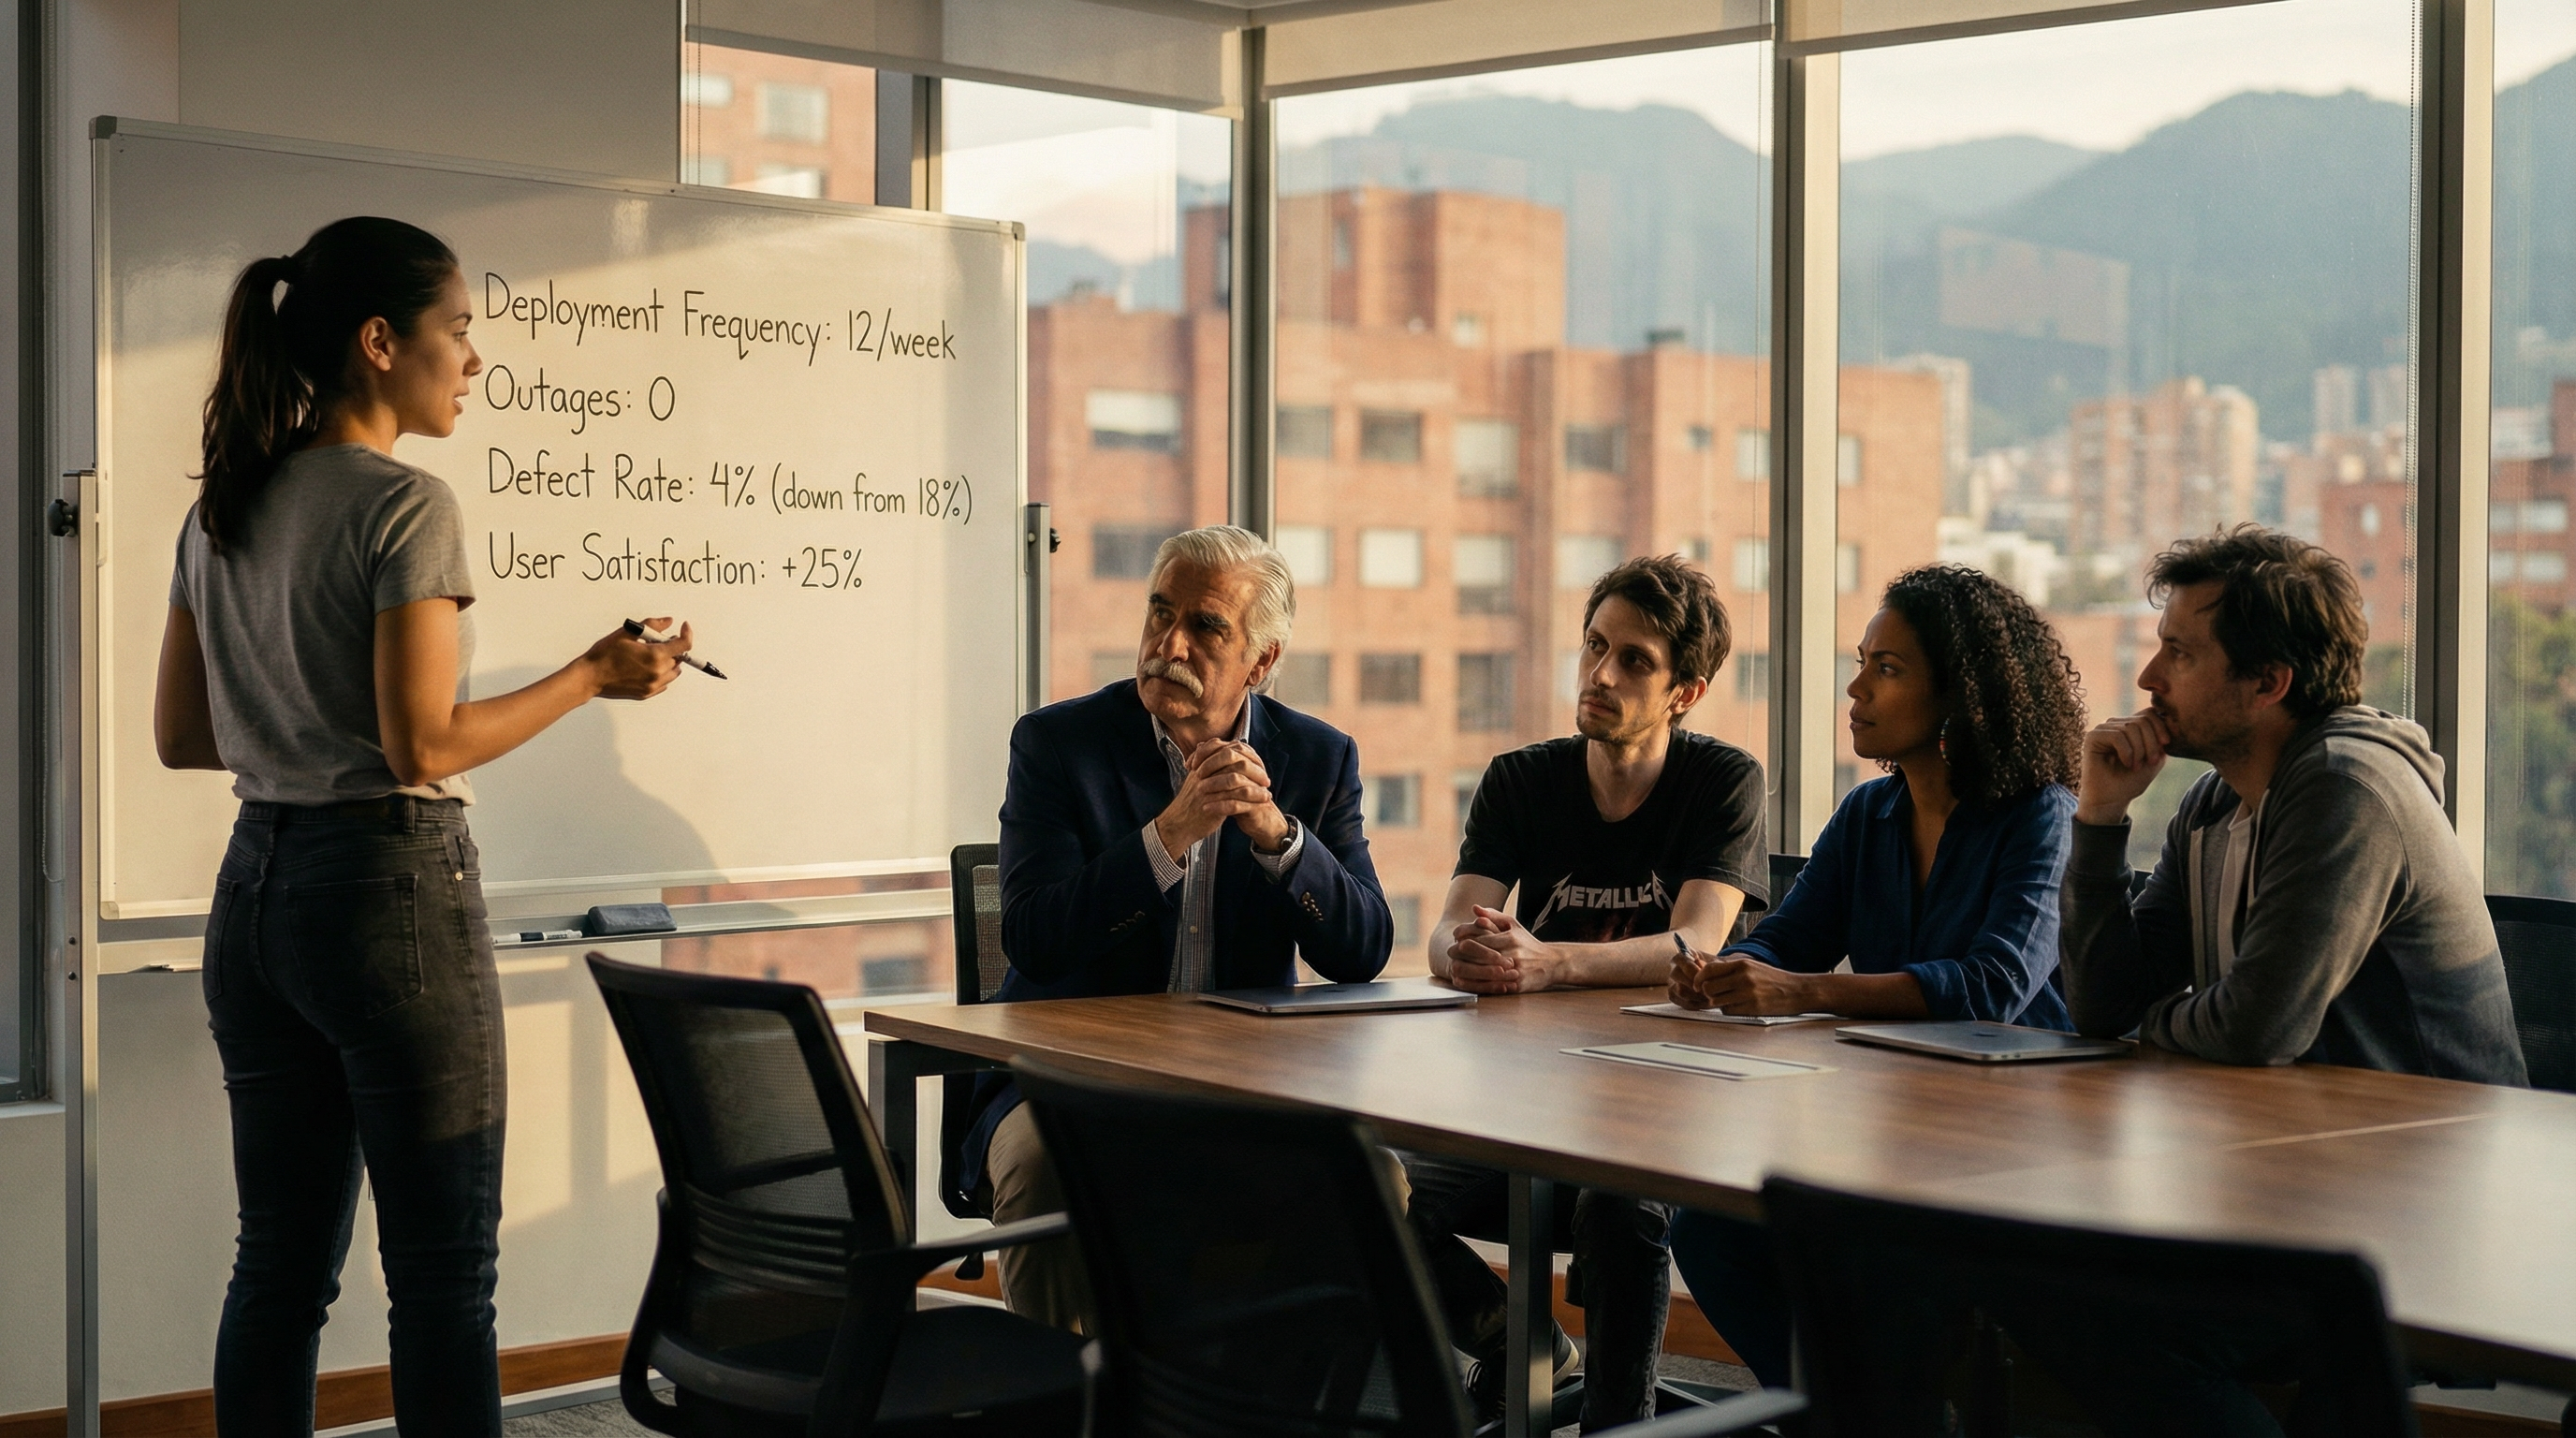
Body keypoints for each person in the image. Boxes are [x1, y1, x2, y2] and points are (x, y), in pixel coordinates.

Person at [153, 217, 688, 1435]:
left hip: (255, 899)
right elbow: (423, 747)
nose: (475, 359)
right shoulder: (406, 506)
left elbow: (185, 737)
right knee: (445, 1282)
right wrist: (594, 674)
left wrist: (290, 710)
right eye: (459, 330)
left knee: (277, 1270)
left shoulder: (222, 509)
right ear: (381, 342)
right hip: (387, 895)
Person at [1663, 563, 2090, 1391]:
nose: (1855, 689)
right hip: (1890, 1121)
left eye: (1886, 670)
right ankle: (1840, 1410)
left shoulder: (2042, 813)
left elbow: (1993, 985)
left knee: (1870, 1261)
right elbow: (1789, 942)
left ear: (1961, 697)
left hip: (2015, 1143)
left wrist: (1805, 991)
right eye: (1861, 662)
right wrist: (1721, 973)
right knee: (1709, 1232)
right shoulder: (1869, 812)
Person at [967, 523, 1394, 1331]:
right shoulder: (1059, 744)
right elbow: (1033, 939)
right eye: (1159, 613)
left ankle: (1268, 1402)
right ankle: (1060, 1405)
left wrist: (1278, 836)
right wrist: (1169, 836)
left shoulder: (1317, 757)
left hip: (1246, 1086)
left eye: (1205, 627)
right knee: (1041, 1166)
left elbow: (1363, 948)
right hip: (1071, 1080)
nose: (1168, 644)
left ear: (1261, 663)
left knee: (1376, 1178)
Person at [1411, 554, 1767, 1431]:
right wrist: (1471, 953)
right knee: (1359, 1179)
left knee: (1619, 1206)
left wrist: (1551, 962)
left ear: (1686, 690)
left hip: (1665, 1112)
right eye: (1594, 647)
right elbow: (1446, 931)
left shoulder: (1724, 780)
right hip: (1526, 1107)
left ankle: (1619, 1420)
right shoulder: (1521, 780)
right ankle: (1512, 1341)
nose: (1600, 675)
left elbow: (1697, 938)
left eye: (1634, 660)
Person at [2060, 525, 2524, 1083]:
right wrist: (2100, 817)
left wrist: (2154, 1023)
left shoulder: (2347, 789)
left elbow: (2256, 1028)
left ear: (2267, 683)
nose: (2148, 677)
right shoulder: (2212, 805)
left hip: (2429, 1149)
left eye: (2179, 654)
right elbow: (2103, 1007)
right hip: (2297, 1136)